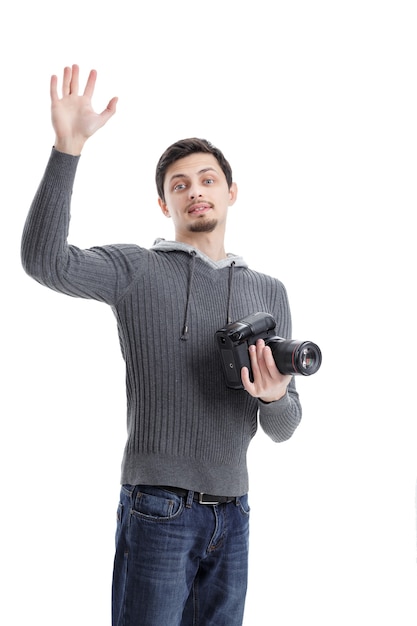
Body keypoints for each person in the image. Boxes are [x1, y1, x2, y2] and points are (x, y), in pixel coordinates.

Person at [21, 64, 302, 626]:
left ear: (231, 191)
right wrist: (67, 149)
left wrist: (274, 398)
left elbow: (286, 426)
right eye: (180, 185)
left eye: (206, 179)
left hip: (236, 513)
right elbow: (44, 261)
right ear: (164, 205)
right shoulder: (137, 270)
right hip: (158, 508)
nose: (194, 191)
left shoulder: (268, 292)